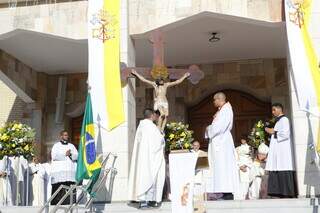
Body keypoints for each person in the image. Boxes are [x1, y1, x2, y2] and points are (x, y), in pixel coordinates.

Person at [128, 108, 165, 209]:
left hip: (142, 158)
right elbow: (159, 142)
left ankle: (143, 200)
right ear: (152, 115)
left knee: (143, 176)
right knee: (150, 176)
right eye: (154, 115)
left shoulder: (141, 126)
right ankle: (150, 201)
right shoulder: (151, 127)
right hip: (150, 158)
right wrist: (162, 134)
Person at [205, 92, 239, 200]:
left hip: (222, 142)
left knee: (224, 166)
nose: (213, 102)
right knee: (221, 167)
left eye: (214, 100)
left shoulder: (226, 110)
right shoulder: (222, 110)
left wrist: (208, 129)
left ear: (219, 99)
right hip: (220, 141)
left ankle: (227, 192)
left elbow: (218, 127)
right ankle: (224, 191)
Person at [265, 103, 296, 198]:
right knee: (276, 167)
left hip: (283, 150)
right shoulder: (278, 121)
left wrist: (273, 131)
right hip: (278, 150)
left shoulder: (284, 120)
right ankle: (278, 192)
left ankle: (286, 192)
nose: (273, 112)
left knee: (283, 167)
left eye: (274, 110)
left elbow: (285, 134)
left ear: (280, 109)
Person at [51, 130, 78, 205]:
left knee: (70, 188)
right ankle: (56, 204)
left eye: (67, 135)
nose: (67, 136)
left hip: (70, 172)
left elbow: (76, 156)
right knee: (59, 188)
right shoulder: (56, 145)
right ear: (61, 136)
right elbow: (54, 156)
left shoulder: (71, 146)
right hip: (60, 172)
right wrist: (64, 154)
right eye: (65, 135)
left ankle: (71, 204)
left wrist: (70, 154)